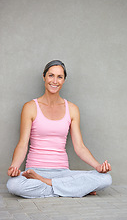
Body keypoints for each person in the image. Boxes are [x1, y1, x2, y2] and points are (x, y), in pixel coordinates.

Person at [7, 60, 112, 198]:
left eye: (59, 77)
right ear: (44, 77)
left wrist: (98, 166)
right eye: (51, 75)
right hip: (34, 171)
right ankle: (72, 189)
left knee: (106, 178)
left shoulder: (72, 109)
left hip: (63, 172)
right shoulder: (30, 107)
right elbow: (22, 144)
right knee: (13, 184)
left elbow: (79, 147)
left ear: (64, 80)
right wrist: (14, 167)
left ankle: (48, 183)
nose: (54, 81)